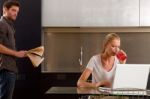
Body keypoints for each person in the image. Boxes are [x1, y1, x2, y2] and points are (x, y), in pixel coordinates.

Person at [77, 33, 127, 99]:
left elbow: (123, 84)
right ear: (105, 45)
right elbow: (80, 83)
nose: (116, 50)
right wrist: (97, 85)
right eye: (113, 46)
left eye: (118, 47)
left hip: (113, 96)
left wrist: (123, 65)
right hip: (97, 96)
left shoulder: (119, 61)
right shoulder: (94, 59)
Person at [0, 0, 26, 99]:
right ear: (5, 10)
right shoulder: (2, 24)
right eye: (13, 10)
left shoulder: (9, 25)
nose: (16, 13)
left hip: (10, 70)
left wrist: (24, 53)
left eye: (17, 12)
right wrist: (16, 53)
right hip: (6, 69)